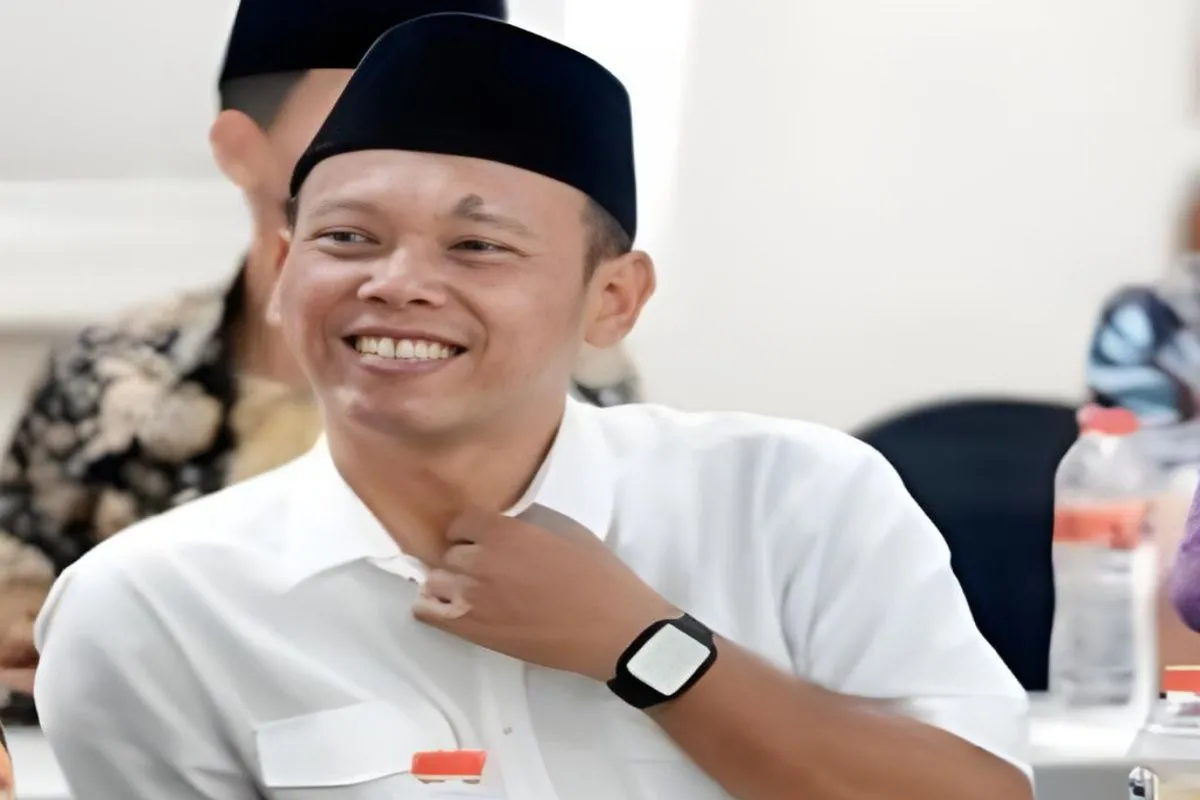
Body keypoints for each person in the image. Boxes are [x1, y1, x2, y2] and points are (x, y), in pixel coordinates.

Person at [33, 14, 1031, 800]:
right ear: (285, 271)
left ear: (614, 299)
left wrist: (644, 646)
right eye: (347, 238)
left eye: (477, 246)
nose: (396, 282)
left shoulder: (793, 499)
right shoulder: (154, 607)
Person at [0, 0, 641, 722]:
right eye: (370, 98)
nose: (421, 135)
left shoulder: (567, 371)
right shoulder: (117, 371)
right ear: (241, 147)